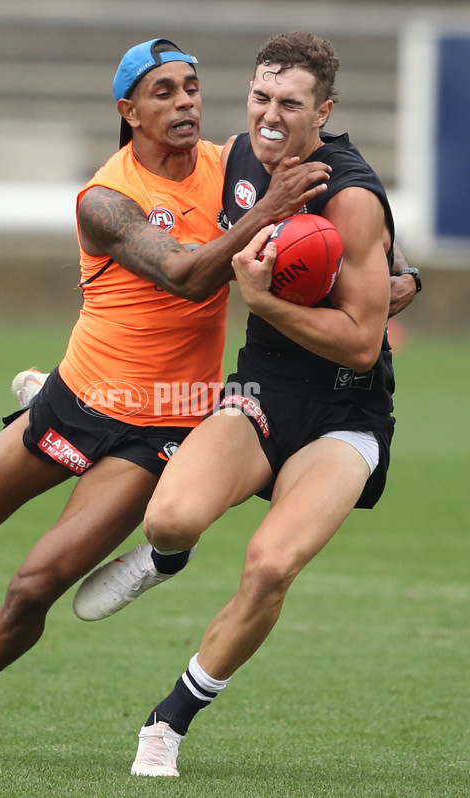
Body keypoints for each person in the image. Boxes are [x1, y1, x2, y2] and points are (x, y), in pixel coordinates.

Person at [0, 38, 332, 760]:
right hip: (75, 399)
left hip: (158, 430)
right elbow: (184, 275)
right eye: (163, 92)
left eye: (191, 87)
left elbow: (333, 181)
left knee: (34, 588)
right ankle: (28, 420)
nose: (184, 102)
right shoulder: (105, 199)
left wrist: (398, 272)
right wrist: (261, 213)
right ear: (129, 111)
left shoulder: (230, 169)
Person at [72, 31, 404, 777]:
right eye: (261, 97)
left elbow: (358, 342)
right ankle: (165, 557)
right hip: (260, 392)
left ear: (326, 109)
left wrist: (264, 298)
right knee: (169, 515)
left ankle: (169, 721)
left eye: (291, 103)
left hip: (346, 412)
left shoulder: (350, 195)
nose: (271, 116)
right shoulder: (240, 159)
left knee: (269, 566)